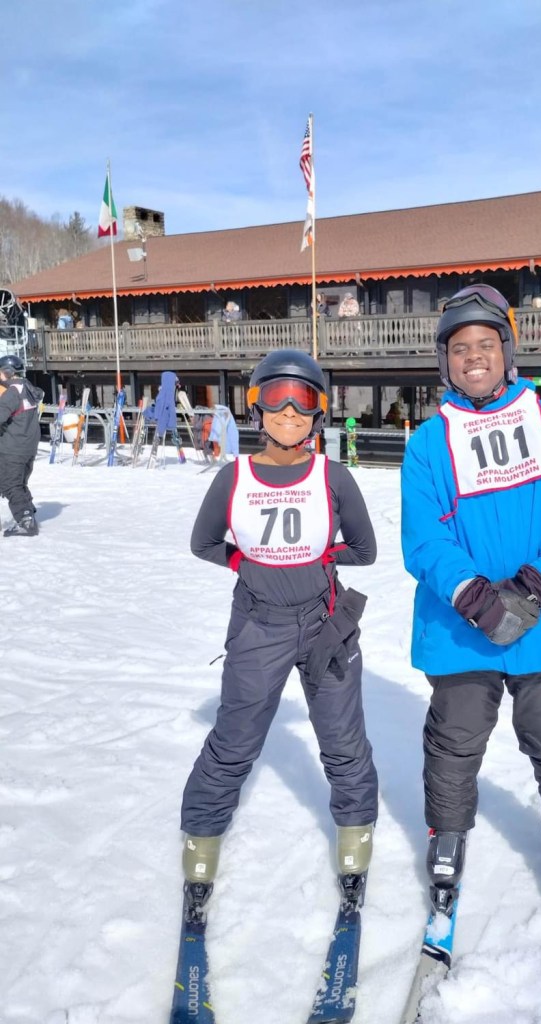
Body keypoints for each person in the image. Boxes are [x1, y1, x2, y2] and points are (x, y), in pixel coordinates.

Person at [400, 284, 541, 933]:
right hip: (462, 622)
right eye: (459, 348)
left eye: (484, 345)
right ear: (446, 362)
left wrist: (533, 588)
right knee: (454, 740)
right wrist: (473, 597)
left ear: (505, 352)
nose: (472, 358)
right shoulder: (428, 443)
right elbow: (424, 534)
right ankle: (448, 833)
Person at [179, 348, 378, 919]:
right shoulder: (234, 476)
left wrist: (318, 561)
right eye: (275, 398)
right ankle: (202, 842)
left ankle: (354, 840)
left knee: (343, 744)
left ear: (319, 413)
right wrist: (248, 565)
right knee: (234, 743)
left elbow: (364, 549)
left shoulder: (331, 476)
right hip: (258, 626)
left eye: (304, 399)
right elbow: (204, 543)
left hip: (324, 625)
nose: (289, 410)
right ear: (255, 407)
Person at [0, 354, 45, 537]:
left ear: (7, 373)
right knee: (18, 483)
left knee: (10, 485)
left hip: (13, 447)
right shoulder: (27, 388)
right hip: (28, 446)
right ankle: (28, 511)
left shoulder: (12, 392)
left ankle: (25, 520)